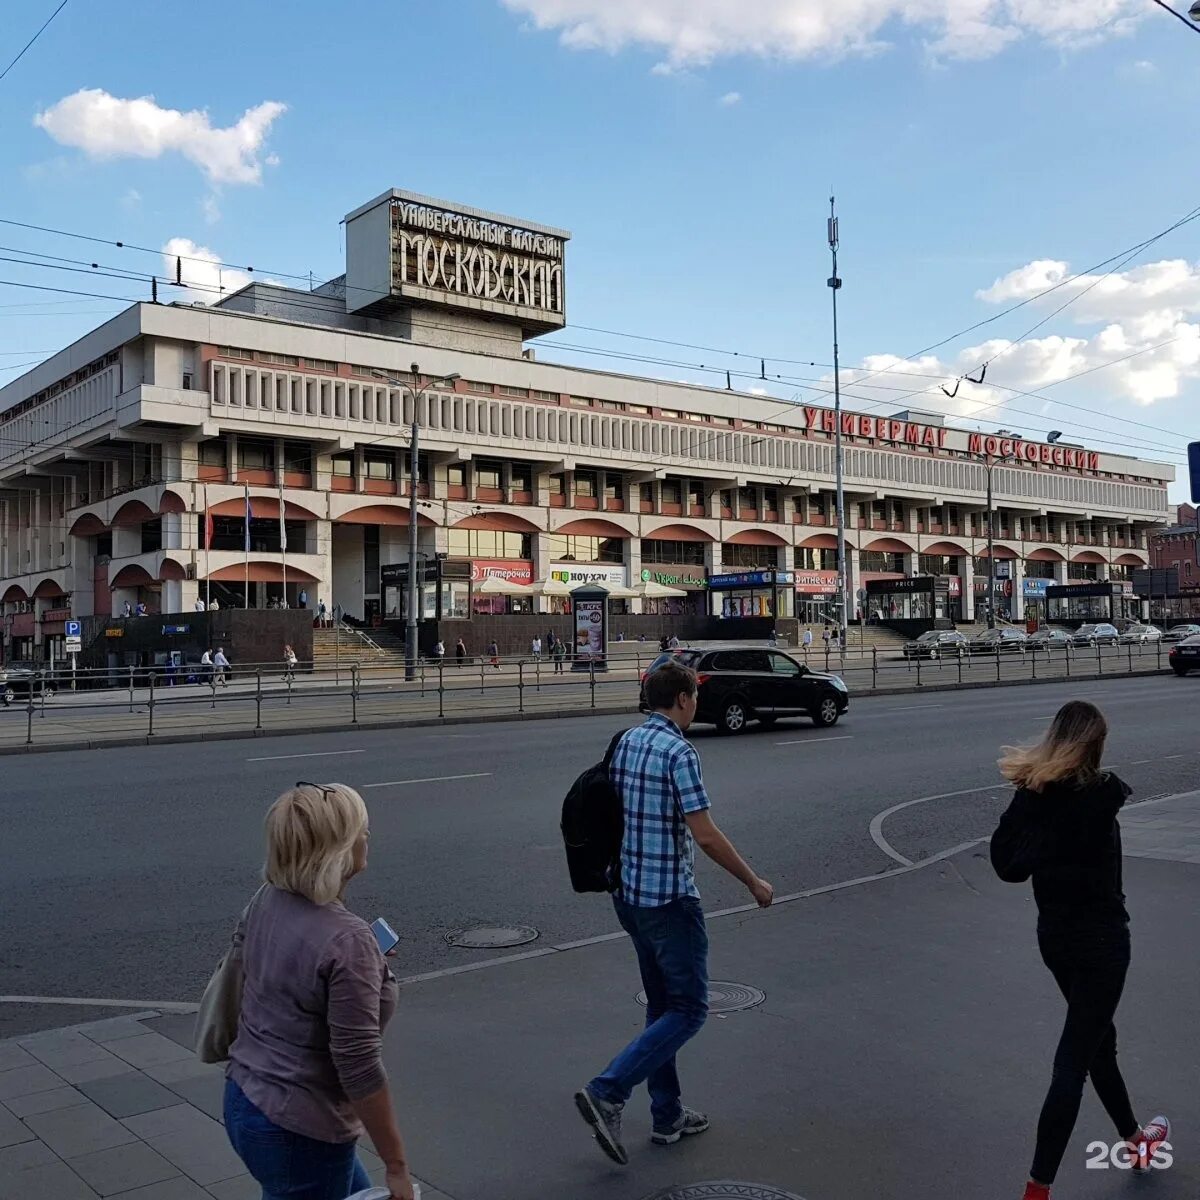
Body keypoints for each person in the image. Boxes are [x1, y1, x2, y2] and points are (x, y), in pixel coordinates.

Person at [574, 661, 774, 1166]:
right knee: (689, 1010)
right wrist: (753, 881)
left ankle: (667, 1116)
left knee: (662, 1008)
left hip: (629, 894)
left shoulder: (627, 741)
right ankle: (608, 1090)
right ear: (683, 699)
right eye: (695, 697)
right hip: (669, 900)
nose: (696, 705)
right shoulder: (679, 751)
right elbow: (704, 834)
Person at [990, 701, 1169, 1200]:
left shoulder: (1039, 797)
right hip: (1103, 943)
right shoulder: (1101, 796)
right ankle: (1037, 1188)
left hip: (1056, 940)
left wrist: (1028, 795)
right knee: (1073, 1061)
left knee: (1096, 1044)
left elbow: (1006, 865)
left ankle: (1135, 1141)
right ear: (1096, 745)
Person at [223, 783, 416, 1200]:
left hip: (245, 1097)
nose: (368, 837)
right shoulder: (348, 942)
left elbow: (277, 974)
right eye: (362, 830)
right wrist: (397, 1167)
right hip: (299, 1127)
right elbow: (359, 1066)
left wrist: (367, 968)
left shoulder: (267, 899)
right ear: (339, 848)